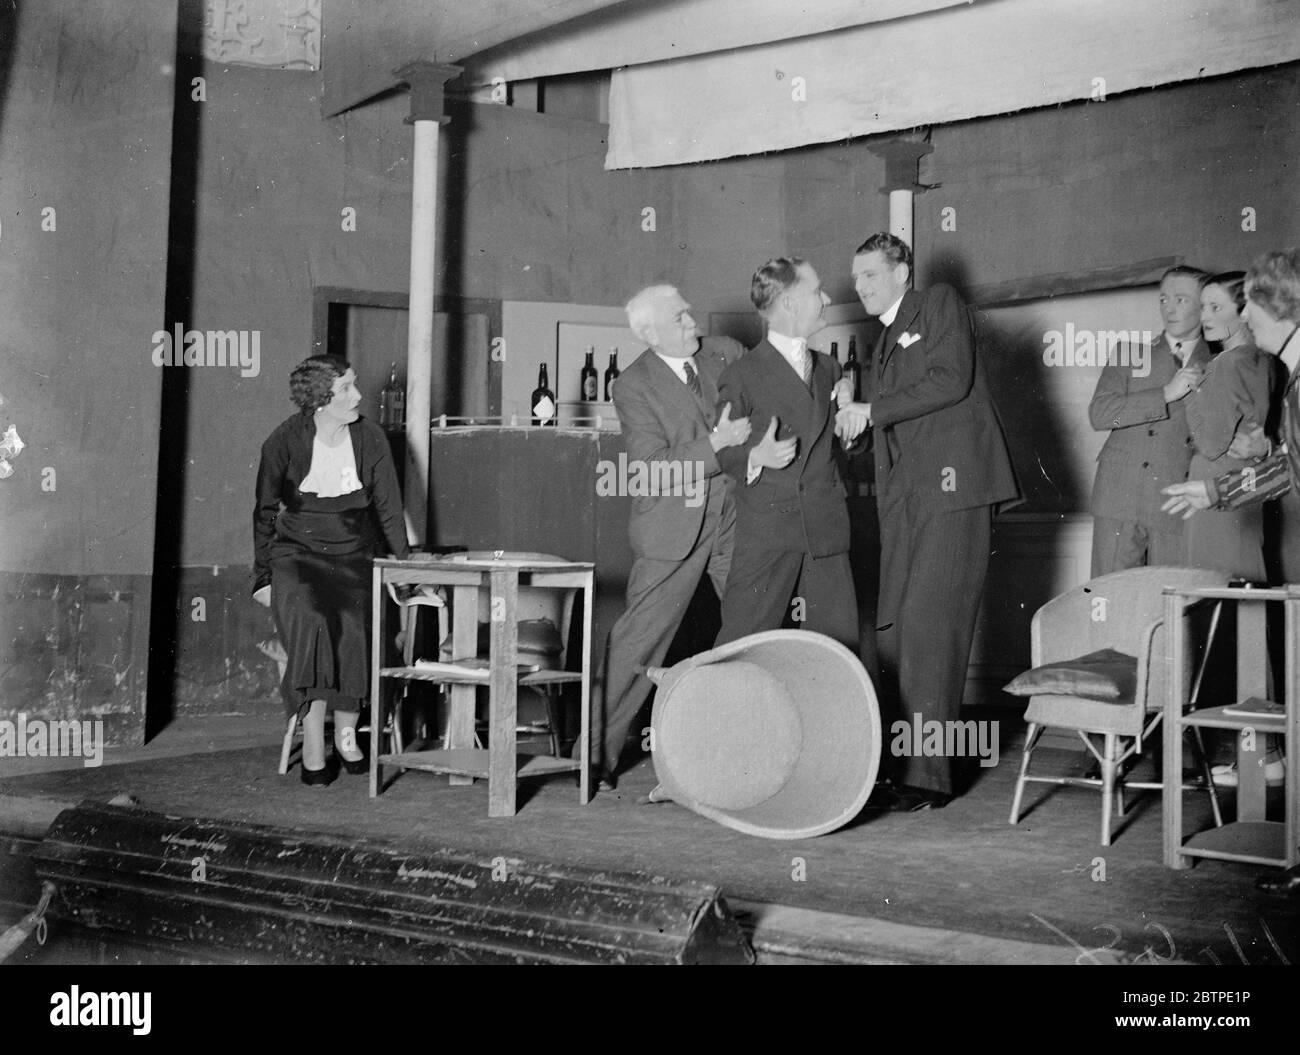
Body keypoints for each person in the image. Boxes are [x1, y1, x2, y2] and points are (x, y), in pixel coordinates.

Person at [840, 231, 1019, 809]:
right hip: (907, 503)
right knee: (898, 631)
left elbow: (950, 380)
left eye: (870, 274)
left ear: (902, 272)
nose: (860, 285)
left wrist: (872, 408)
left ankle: (927, 777)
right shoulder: (884, 341)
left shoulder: (937, 302)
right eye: (856, 277)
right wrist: (852, 428)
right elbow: (893, 430)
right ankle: (905, 765)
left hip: (954, 492)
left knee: (931, 631)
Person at [1162, 248, 1300, 896]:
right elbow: (1287, 464)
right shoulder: (1281, 373)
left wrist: (1217, 483)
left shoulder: (1250, 369)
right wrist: (1215, 492)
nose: (1244, 318)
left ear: (1281, 309)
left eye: (1248, 307)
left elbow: (1229, 445)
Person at [595, 285, 750, 790]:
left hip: (734, 516)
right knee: (637, 644)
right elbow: (646, 471)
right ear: (649, 332)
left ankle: (762, 750)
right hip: (672, 530)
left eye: (690, 312)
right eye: (680, 318)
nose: (693, 324)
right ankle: (594, 757)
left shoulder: (725, 352)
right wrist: (718, 443)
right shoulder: (633, 385)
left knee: (758, 628)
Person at [253, 355, 409, 786]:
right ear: (320, 398)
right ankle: (314, 742)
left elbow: (390, 511)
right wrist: (262, 577)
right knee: (315, 627)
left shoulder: (371, 437)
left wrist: (405, 569)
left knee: (355, 631)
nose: (358, 395)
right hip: (297, 555)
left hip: (355, 552)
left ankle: (346, 734)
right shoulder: (284, 440)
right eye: (345, 389)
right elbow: (264, 512)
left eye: (354, 385)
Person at [713, 257, 862, 651]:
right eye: (817, 291)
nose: (827, 298)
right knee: (741, 649)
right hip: (768, 535)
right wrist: (755, 457)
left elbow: (840, 447)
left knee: (837, 653)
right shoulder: (742, 374)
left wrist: (850, 429)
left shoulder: (831, 369)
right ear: (791, 304)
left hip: (825, 531)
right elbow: (724, 448)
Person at [1088, 266, 1211, 575]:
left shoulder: (1220, 362)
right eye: (1164, 298)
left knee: (1168, 604)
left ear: (1204, 305)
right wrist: (1166, 393)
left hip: (1177, 497)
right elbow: (1100, 413)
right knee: (1109, 598)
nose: (1169, 308)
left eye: (1181, 300)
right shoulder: (1130, 353)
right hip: (1119, 495)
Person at [1183, 271, 1275, 579]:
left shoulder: (1226, 363)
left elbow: (1210, 444)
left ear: (1244, 312)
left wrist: (1191, 392)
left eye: (1216, 308)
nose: (1204, 316)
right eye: (1203, 307)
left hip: (1217, 482)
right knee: (1244, 581)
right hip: (1251, 481)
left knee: (1211, 586)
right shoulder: (1265, 360)